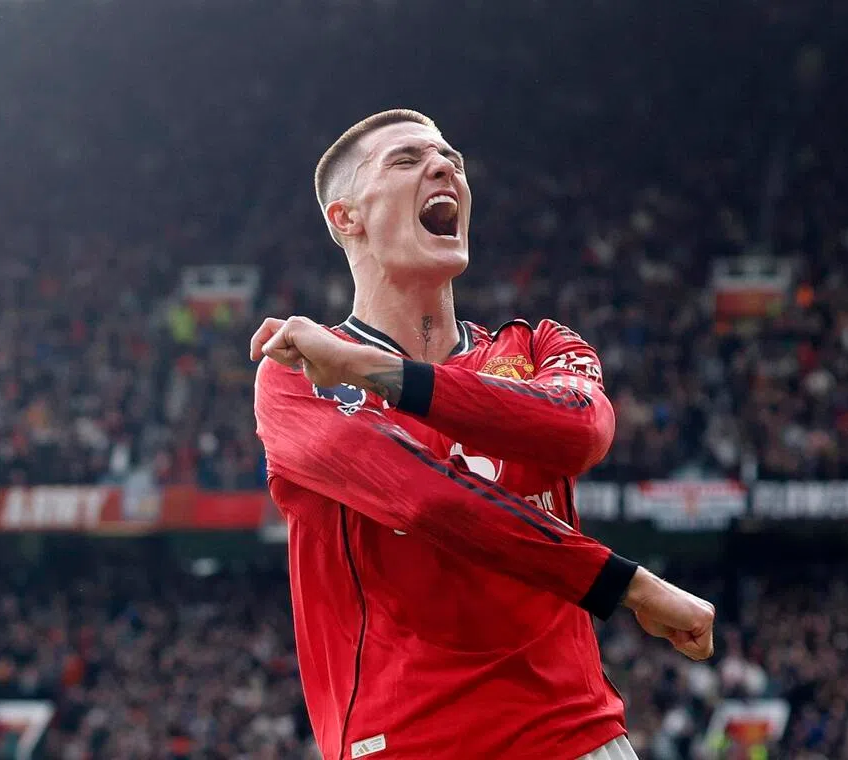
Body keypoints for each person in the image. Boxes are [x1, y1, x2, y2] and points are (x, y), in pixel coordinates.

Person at [251, 109, 715, 760]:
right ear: (345, 217)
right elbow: (428, 499)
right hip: (414, 742)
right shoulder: (297, 376)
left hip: (577, 736)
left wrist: (378, 372)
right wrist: (629, 586)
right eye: (407, 160)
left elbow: (581, 431)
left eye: (452, 160)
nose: (445, 167)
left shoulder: (538, 344)